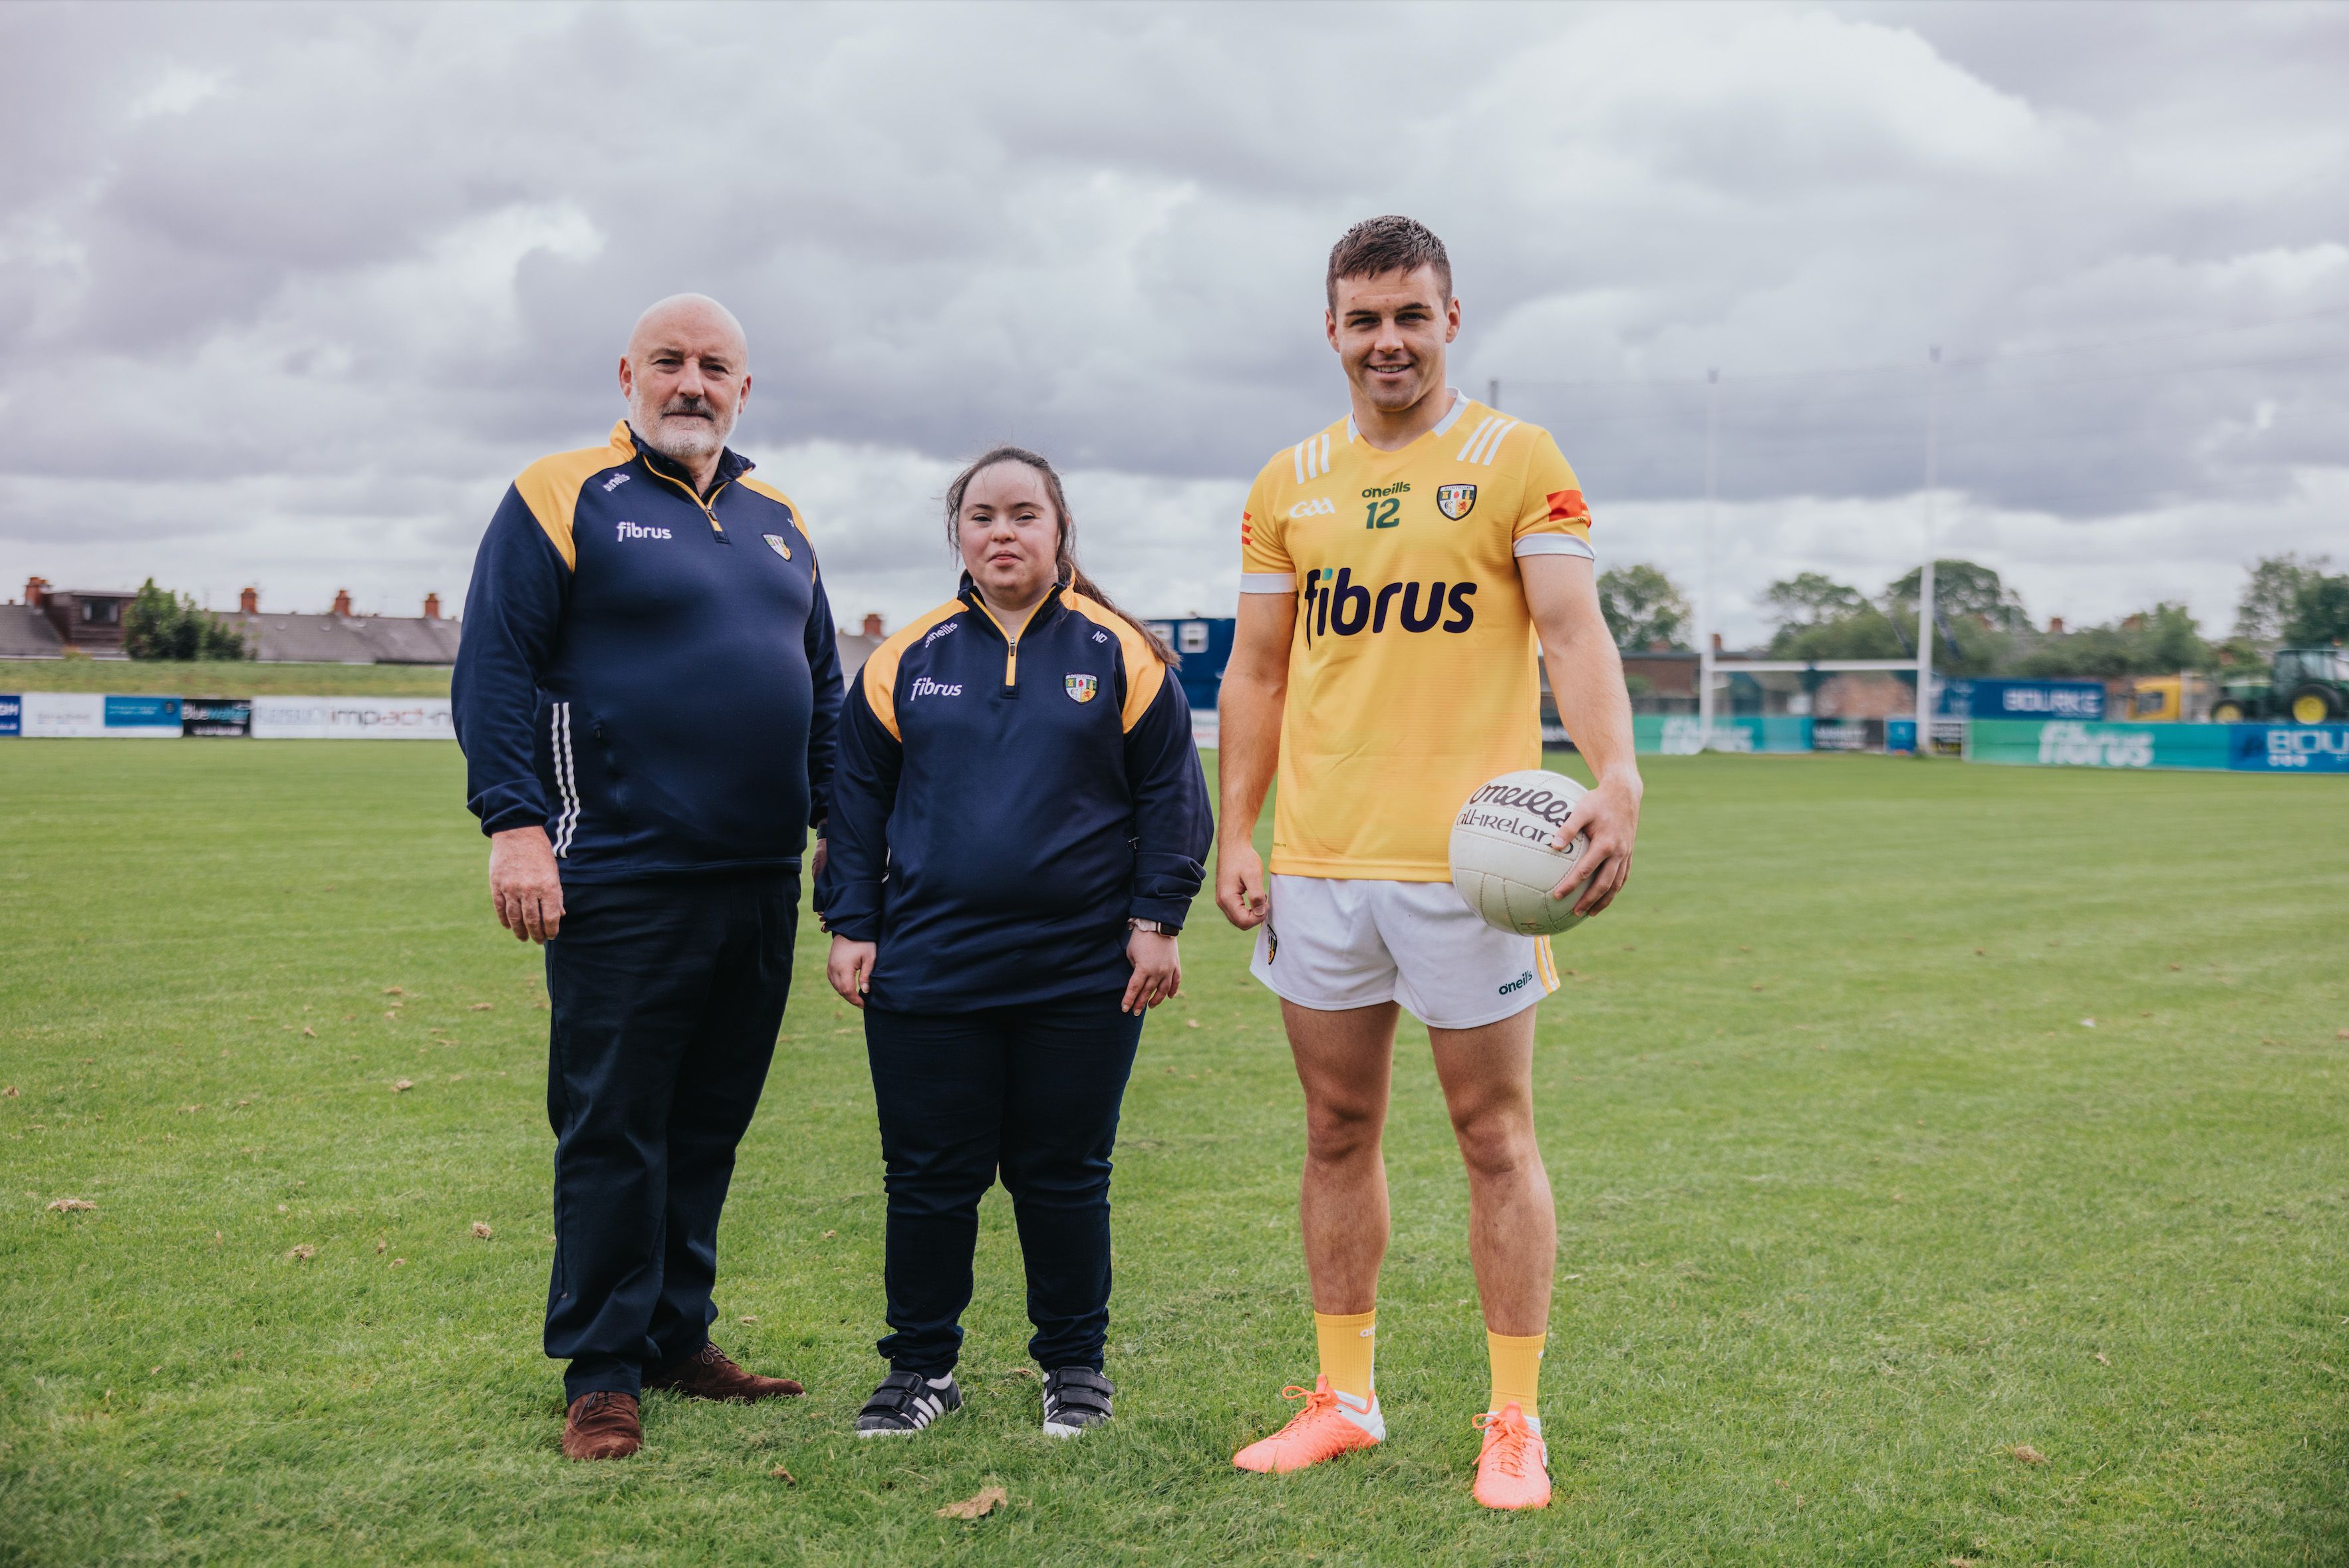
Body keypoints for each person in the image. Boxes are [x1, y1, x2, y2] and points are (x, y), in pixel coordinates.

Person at [1215, 218, 1643, 1510]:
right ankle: (1342, 1398)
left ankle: (1513, 1419)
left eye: (1409, 315)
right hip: (1319, 862)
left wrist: (1614, 772)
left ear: (1451, 320)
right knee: (1335, 1129)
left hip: (1475, 866)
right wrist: (1237, 827)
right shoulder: (1286, 480)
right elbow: (1258, 668)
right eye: (1362, 318)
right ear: (1331, 330)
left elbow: (1571, 634)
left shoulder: (1518, 461)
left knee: (1491, 1135)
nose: (1386, 341)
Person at [452, 294, 841, 1462]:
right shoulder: (560, 493)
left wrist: (839, 827)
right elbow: (497, 666)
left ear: (744, 389)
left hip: (759, 876)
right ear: (626, 373)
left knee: (709, 1121)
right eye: (669, 361)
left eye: (715, 366)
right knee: (615, 1123)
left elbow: (820, 687)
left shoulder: (781, 518)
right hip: (619, 873)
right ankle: (602, 1370)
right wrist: (515, 825)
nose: (691, 382)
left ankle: (677, 1336)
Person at [816, 446, 1212, 1439]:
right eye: (983, 514)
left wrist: (1156, 922)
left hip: (1080, 972)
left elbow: (1173, 799)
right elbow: (853, 803)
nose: (1003, 531)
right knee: (928, 1177)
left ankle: (1074, 1366)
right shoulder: (903, 660)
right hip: (929, 967)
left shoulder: (1121, 654)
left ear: (1059, 529)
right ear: (959, 532)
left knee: (1065, 1173)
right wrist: (851, 922)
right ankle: (920, 1370)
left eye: (1023, 514)